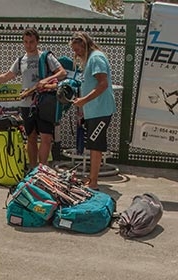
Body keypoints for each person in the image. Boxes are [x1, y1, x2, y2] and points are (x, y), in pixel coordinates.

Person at [0, 28, 66, 168]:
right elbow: (7, 76)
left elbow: (62, 73)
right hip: (26, 104)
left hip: (44, 103)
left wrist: (46, 80)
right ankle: (32, 168)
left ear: (37, 41)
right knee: (31, 137)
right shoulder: (20, 61)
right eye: (25, 42)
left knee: (46, 138)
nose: (28, 45)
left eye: (31, 42)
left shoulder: (46, 57)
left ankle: (44, 170)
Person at [69, 32, 115, 190]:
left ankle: (94, 181)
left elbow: (103, 84)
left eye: (78, 50)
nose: (76, 53)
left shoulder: (96, 58)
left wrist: (84, 101)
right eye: (74, 51)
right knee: (93, 144)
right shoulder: (90, 60)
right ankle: (91, 178)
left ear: (84, 45)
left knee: (96, 145)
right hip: (93, 111)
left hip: (100, 110)